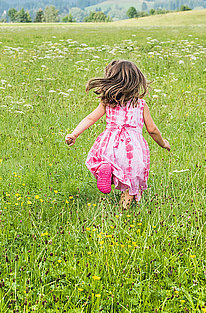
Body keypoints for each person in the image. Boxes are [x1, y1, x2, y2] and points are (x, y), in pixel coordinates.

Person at [65, 60, 170, 209]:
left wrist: (74, 134)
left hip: (109, 144)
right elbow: (152, 130)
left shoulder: (107, 102)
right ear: (136, 81)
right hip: (131, 149)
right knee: (131, 180)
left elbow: (91, 118)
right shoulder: (140, 104)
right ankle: (122, 212)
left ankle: (106, 168)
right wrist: (163, 143)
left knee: (111, 165)